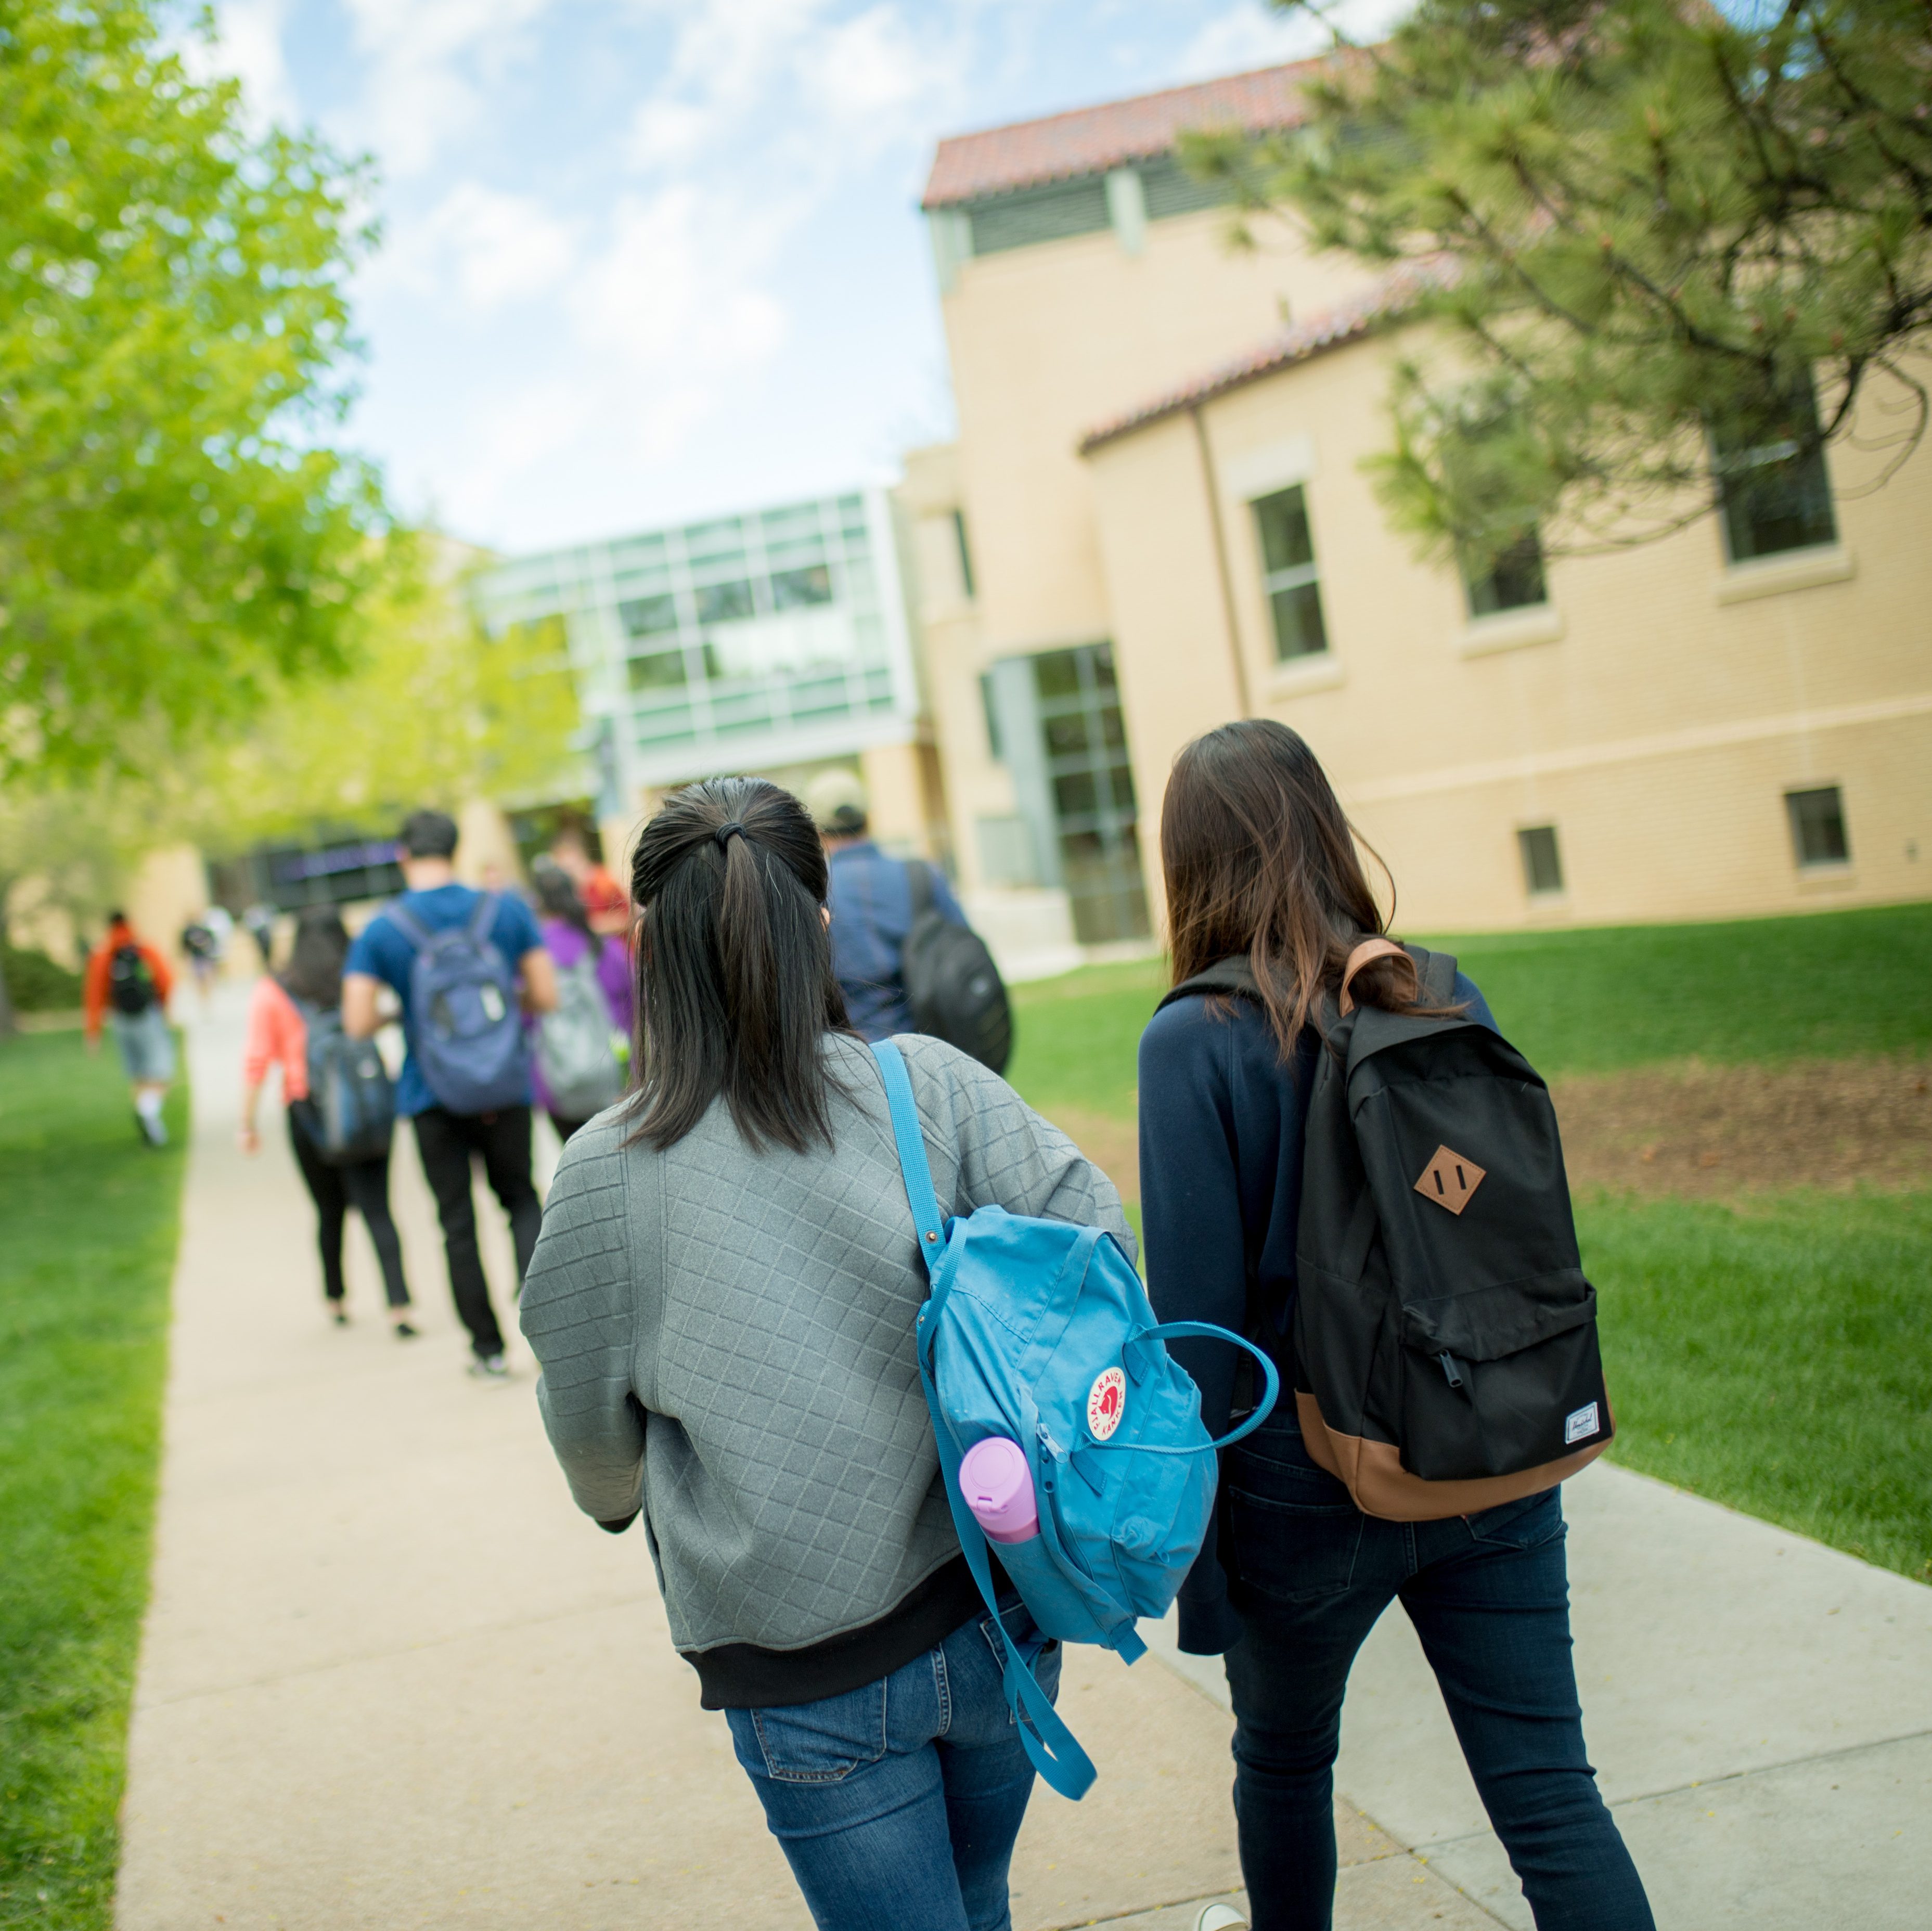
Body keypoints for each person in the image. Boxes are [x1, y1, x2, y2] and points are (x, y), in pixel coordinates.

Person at [518, 777, 1130, 1931]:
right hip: (996, 1606)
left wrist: (614, 1496)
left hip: (804, 1668)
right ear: (822, 931)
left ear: (651, 954)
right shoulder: (927, 1086)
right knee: (980, 1901)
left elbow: (591, 1436)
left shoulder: (608, 1169)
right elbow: (1099, 1247)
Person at [1136, 722, 1653, 1931]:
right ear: (1321, 826)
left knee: (1281, 1763)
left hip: (1302, 1487)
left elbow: (1200, 1339)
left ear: (1188, 865)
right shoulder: (1426, 989)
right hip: (1486, 1437)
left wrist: (1200, 1570)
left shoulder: (1194, 1041)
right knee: (1546, 1794)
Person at [341, 809, 557, 1381]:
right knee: (521, 1201)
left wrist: (405, 1013)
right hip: (505, 1083)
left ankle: (486, 1349)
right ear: (456, 850)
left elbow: (357, 1021)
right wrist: (502, 1013)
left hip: (431, 1093)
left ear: (402, 854)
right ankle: (549, 1338)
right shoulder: (504, 909)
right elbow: (546, 992)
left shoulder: (383, 929)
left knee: (457, 1222)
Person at [239, 908, 417, 1336]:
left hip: (308, 1114)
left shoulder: (275, 990)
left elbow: (258, 1060)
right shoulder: (357, 980)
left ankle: (336, 1298)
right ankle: (400, 1307)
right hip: (369, 1106)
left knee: (329, 1210)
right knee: (378, 1208)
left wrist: (247, 1123)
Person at [807, 768, 968, 1042]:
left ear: (817, 831)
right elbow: (963, 950)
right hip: (931, 1044)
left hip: (853, 1054)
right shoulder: (921, 875)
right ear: (868, 818)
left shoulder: (813, 893)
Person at [526, 856, 632, 1144]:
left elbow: (526, 1023)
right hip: (617, 1079)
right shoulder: (604, 947)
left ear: (537, 902)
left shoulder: (532, 957)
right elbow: (637, 1008)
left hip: (557, 1085)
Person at [84, 910, 175, 1147]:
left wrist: (93, 1032)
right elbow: (165, 980)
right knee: (161, 1073)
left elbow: (95, 994)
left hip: (121, 1020)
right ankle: (149, 1111)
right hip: (147, 1016)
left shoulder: (103, 954)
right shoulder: (143, 949)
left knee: (138, 1075)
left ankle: (150, 1126)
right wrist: (164, 1008)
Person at [548, 821, 629, 937]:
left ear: (580, 853)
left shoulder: (604, 881)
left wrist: (593, 926)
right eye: (559, 858)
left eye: (567, 855)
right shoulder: (565, 891)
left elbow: (627, 919)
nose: (565, 863)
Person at [180, 916, 221, 1008]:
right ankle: (203, 999)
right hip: (196, 959)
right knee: (200, 980)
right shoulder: (188, 932)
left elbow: (213, 940)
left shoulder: (204, 930)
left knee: (207, 978)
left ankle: (208, 997)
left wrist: (210, 948)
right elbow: (184, 946)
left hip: (205, 957)